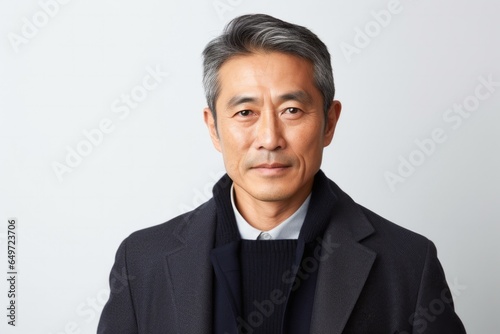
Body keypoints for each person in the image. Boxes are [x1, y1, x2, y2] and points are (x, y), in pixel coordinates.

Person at [97, 14, 466, 334]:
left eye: (291, 110)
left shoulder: (407, 263)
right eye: (245, 113)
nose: (270, 138)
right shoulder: (142, 261)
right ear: (213, 128)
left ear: (329, 122)